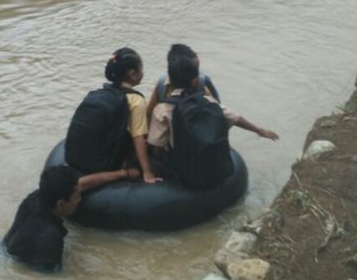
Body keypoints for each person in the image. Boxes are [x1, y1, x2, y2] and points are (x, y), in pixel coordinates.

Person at [147, 55, 278, 189]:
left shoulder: (162, 110)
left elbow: (157, 146)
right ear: (195, 81)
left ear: (169, 81)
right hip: (214, 165)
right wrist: (259, 131)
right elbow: (235, 117)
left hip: (183, 169)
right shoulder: (209, 102)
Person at [3, 165, 139, 272]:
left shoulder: (35, 198)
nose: (80, 200)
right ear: (61, 204)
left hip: (7, 248)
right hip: (19, 262)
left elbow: (83, 184)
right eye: (77, 197)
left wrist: (123, 174)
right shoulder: (50, 238)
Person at [65, 47, 161, 185]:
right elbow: (138, 137)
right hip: (103, 164)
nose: (143, 72)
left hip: (77, 158)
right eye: (142, 68)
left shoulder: (101, 93)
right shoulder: (136, 100)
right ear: (133, 74)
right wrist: (147, 171)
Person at [146, 44, 220, 124]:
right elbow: (149, 113)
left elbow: (217, 114)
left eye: (197, 71)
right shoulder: (162, 85)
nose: (197, 75)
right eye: (193, 70)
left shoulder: (202, 85)